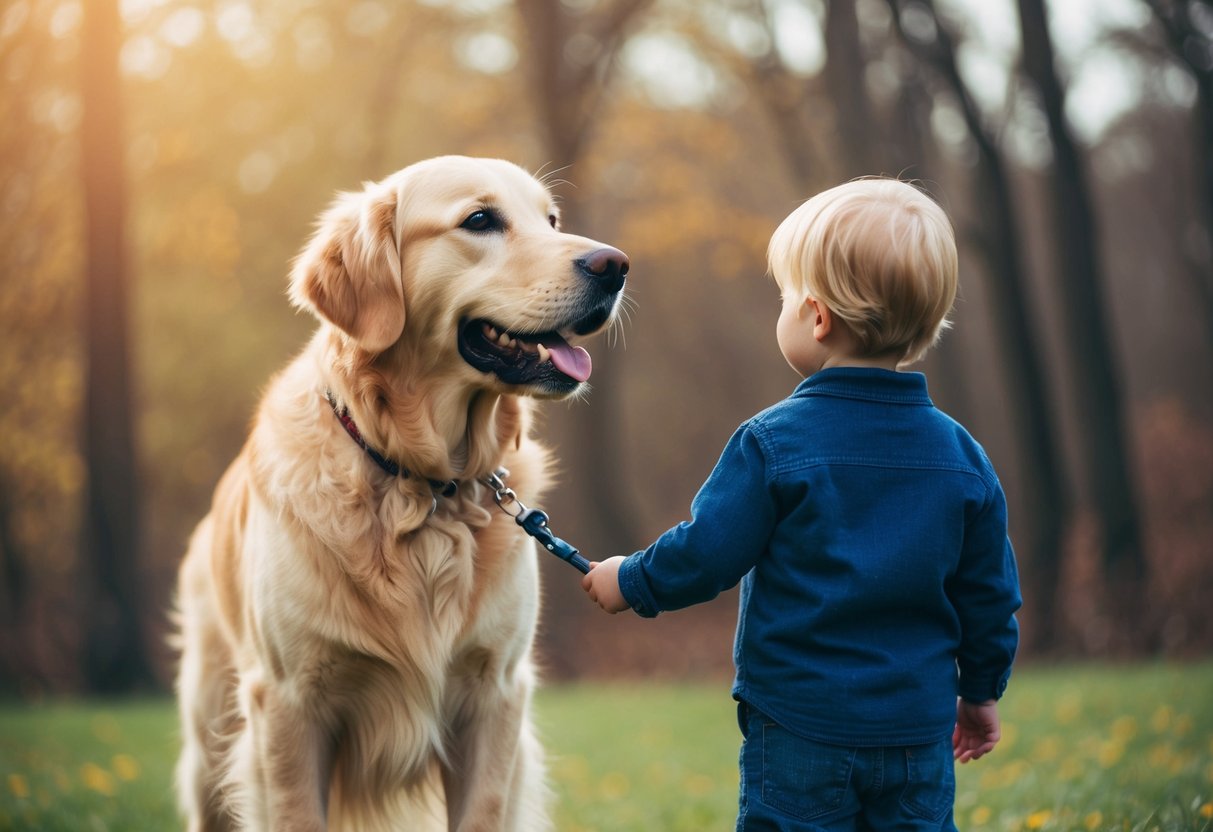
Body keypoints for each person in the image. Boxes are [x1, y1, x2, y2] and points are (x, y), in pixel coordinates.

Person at [581, 178, 1022, 831]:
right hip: (917, 732)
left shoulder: (771, 443)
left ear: (815, 318)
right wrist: (980, 691)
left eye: (785, 299)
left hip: (797, 727)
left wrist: (630, 579)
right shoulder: (962, 457)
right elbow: (988, 596)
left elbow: (707, 554)